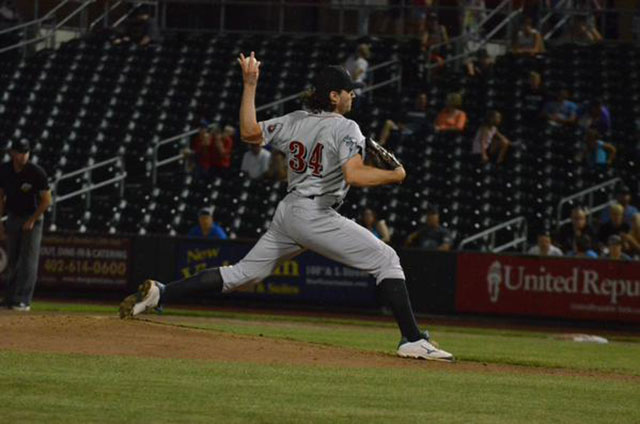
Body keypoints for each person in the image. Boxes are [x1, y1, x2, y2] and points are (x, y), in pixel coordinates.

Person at [119, 54, 455, 362]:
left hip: (290, 212)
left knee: (241, 274)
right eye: (348, 91)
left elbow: (250, 132)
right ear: (334, 96)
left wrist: (250, 85)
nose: (353, 95)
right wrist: (395, 175)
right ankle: (411, 338)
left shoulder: (295, 120)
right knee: (387, 259)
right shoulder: (346, 126)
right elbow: (353, 174)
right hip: (315, 213)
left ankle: (162, 293)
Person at [0, 139, 52, 311]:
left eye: (26, 152)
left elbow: (46, 200)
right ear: (12, 153)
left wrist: (32, 220)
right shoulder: (5, 170)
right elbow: (1, 197)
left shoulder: (36, 172)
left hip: (33, 217)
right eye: (20, 152)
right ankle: (9, 298)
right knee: (13, 258)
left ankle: (23, 300)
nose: (24, 155)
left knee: (28, 260)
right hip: (13, 216)